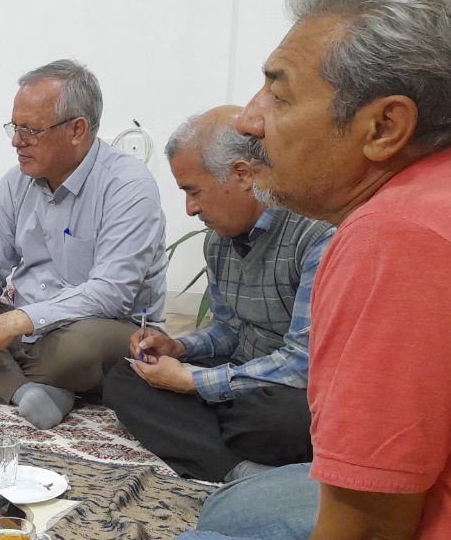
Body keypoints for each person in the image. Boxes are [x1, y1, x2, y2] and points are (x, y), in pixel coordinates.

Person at [138, 0, 451, 540]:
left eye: (279, 94)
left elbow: (367, 534)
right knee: (235, 506)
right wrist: (181, 353)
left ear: (383, 127)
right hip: (439, 508)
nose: (250, 120)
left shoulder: (396, 239)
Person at [0, 59, 168, 430]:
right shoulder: (15, 182)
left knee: (81, 348)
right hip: (27, 329)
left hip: (99, 327)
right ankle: (27, 390)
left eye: (31, 130)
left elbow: (112, 293)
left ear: (77, 130)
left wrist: (17, 321)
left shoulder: (128, 186)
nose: (17, 141)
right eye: (14, 127)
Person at [103, 106, 334, 482]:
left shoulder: (316, 236)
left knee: (276, 421)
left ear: (242, 174)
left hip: (291, 391)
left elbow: (302, 364)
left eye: (194, 192)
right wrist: (178, 348)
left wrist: (192, 383)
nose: (190, 209)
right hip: (242, 379)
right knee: (124, 378)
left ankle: (207, 441)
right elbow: (228, 330)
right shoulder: (218, 241)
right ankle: (238, 470)